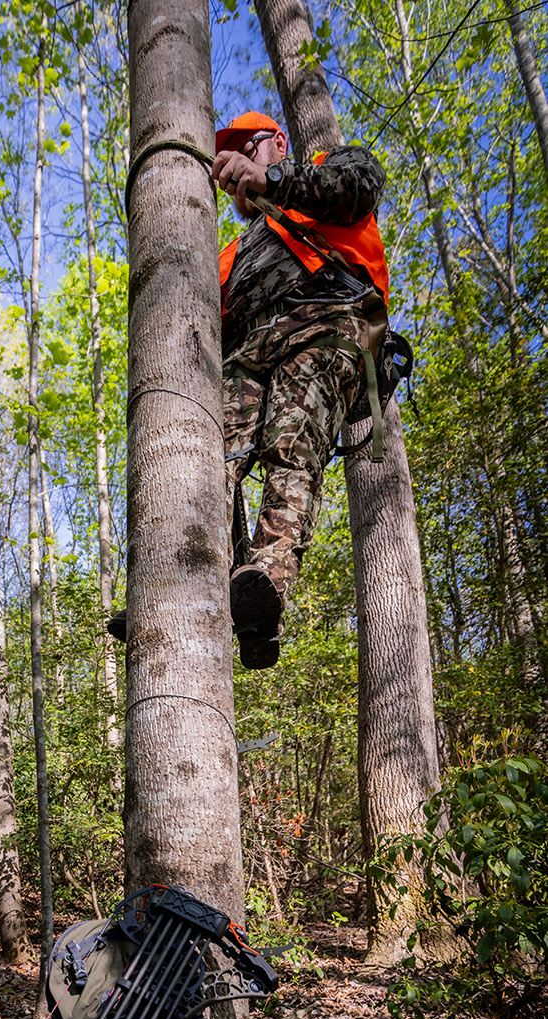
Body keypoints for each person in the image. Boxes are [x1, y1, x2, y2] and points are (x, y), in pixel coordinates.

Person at [109, 112, 389, 670]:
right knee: (208, 458)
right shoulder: (232, 255)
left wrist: (271, 182)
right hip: (248, 353)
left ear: (277, 144)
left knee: (290, 448)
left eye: (246, 149)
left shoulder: (321, 171)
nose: (233, 164)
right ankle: (180, 586)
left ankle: (265, 581)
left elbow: (359, 186)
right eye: (227, 158)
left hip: (325, 324)